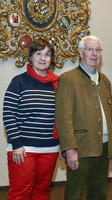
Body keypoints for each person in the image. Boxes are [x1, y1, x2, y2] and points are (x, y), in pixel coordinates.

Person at [55, 35, 112, 200]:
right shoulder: (68, 79)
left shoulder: (105, 81)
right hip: (80, 148)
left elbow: (111, 116)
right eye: (90, 49)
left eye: (98, 50)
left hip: (104, 147)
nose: (94, 54)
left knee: (99, 193)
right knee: (74, 194)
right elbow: (63, 118)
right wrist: (69, 149)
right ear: (81, 52)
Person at [3, 39, 60, 200]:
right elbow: (8, 114)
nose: (43, 58)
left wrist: (63, 144)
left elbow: (62, 116)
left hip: (50, 149)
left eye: (47, 54)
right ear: (31, 57)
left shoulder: (57, 83)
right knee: (20, 193)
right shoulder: (18, 82)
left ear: (51, 58)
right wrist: (17, 143)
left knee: (42, 193)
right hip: (23, 149)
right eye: (38, 54)